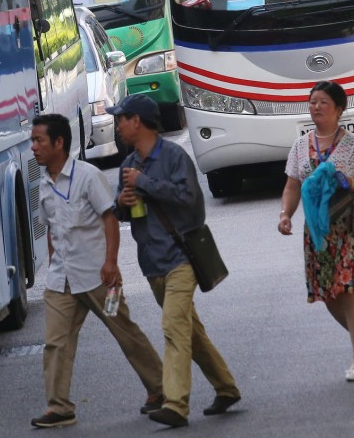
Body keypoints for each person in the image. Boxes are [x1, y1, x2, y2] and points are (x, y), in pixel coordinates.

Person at [110, 94, 241, 428]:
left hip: (181, 257)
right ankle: (226, 387)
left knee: (172, 326)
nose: (117, 125)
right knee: (190, 332)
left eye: (121, 118)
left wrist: (146, 184)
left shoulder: (173, 157)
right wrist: (123, 202)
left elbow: (191, 204)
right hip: (151, 263)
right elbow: (122, 213)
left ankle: (175, 404)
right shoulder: (127, 166)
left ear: (136, 121)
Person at [28, 113, 164, 429]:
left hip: (98, 277)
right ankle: (59, 407)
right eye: (32, 141)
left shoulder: (87, 176)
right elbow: (50, 228)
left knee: (126, 333)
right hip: (61, 280)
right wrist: (52, 263)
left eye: (39, 140)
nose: (33, 147)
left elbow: (109, 218)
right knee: (55, 342)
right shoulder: (44, 184)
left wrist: (111, 263)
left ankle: (161, 389)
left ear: (59, 143)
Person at [278, 81, 354, 382]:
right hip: (318, 232)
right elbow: (292, 185)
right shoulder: (300, 146)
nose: (316, 107)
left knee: (349, 290)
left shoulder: (352, 145)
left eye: (323, 102)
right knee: (330, 294)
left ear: (339, 109)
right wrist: (285, 214)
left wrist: (348, 180)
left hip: (348, 229)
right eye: (312, 102)